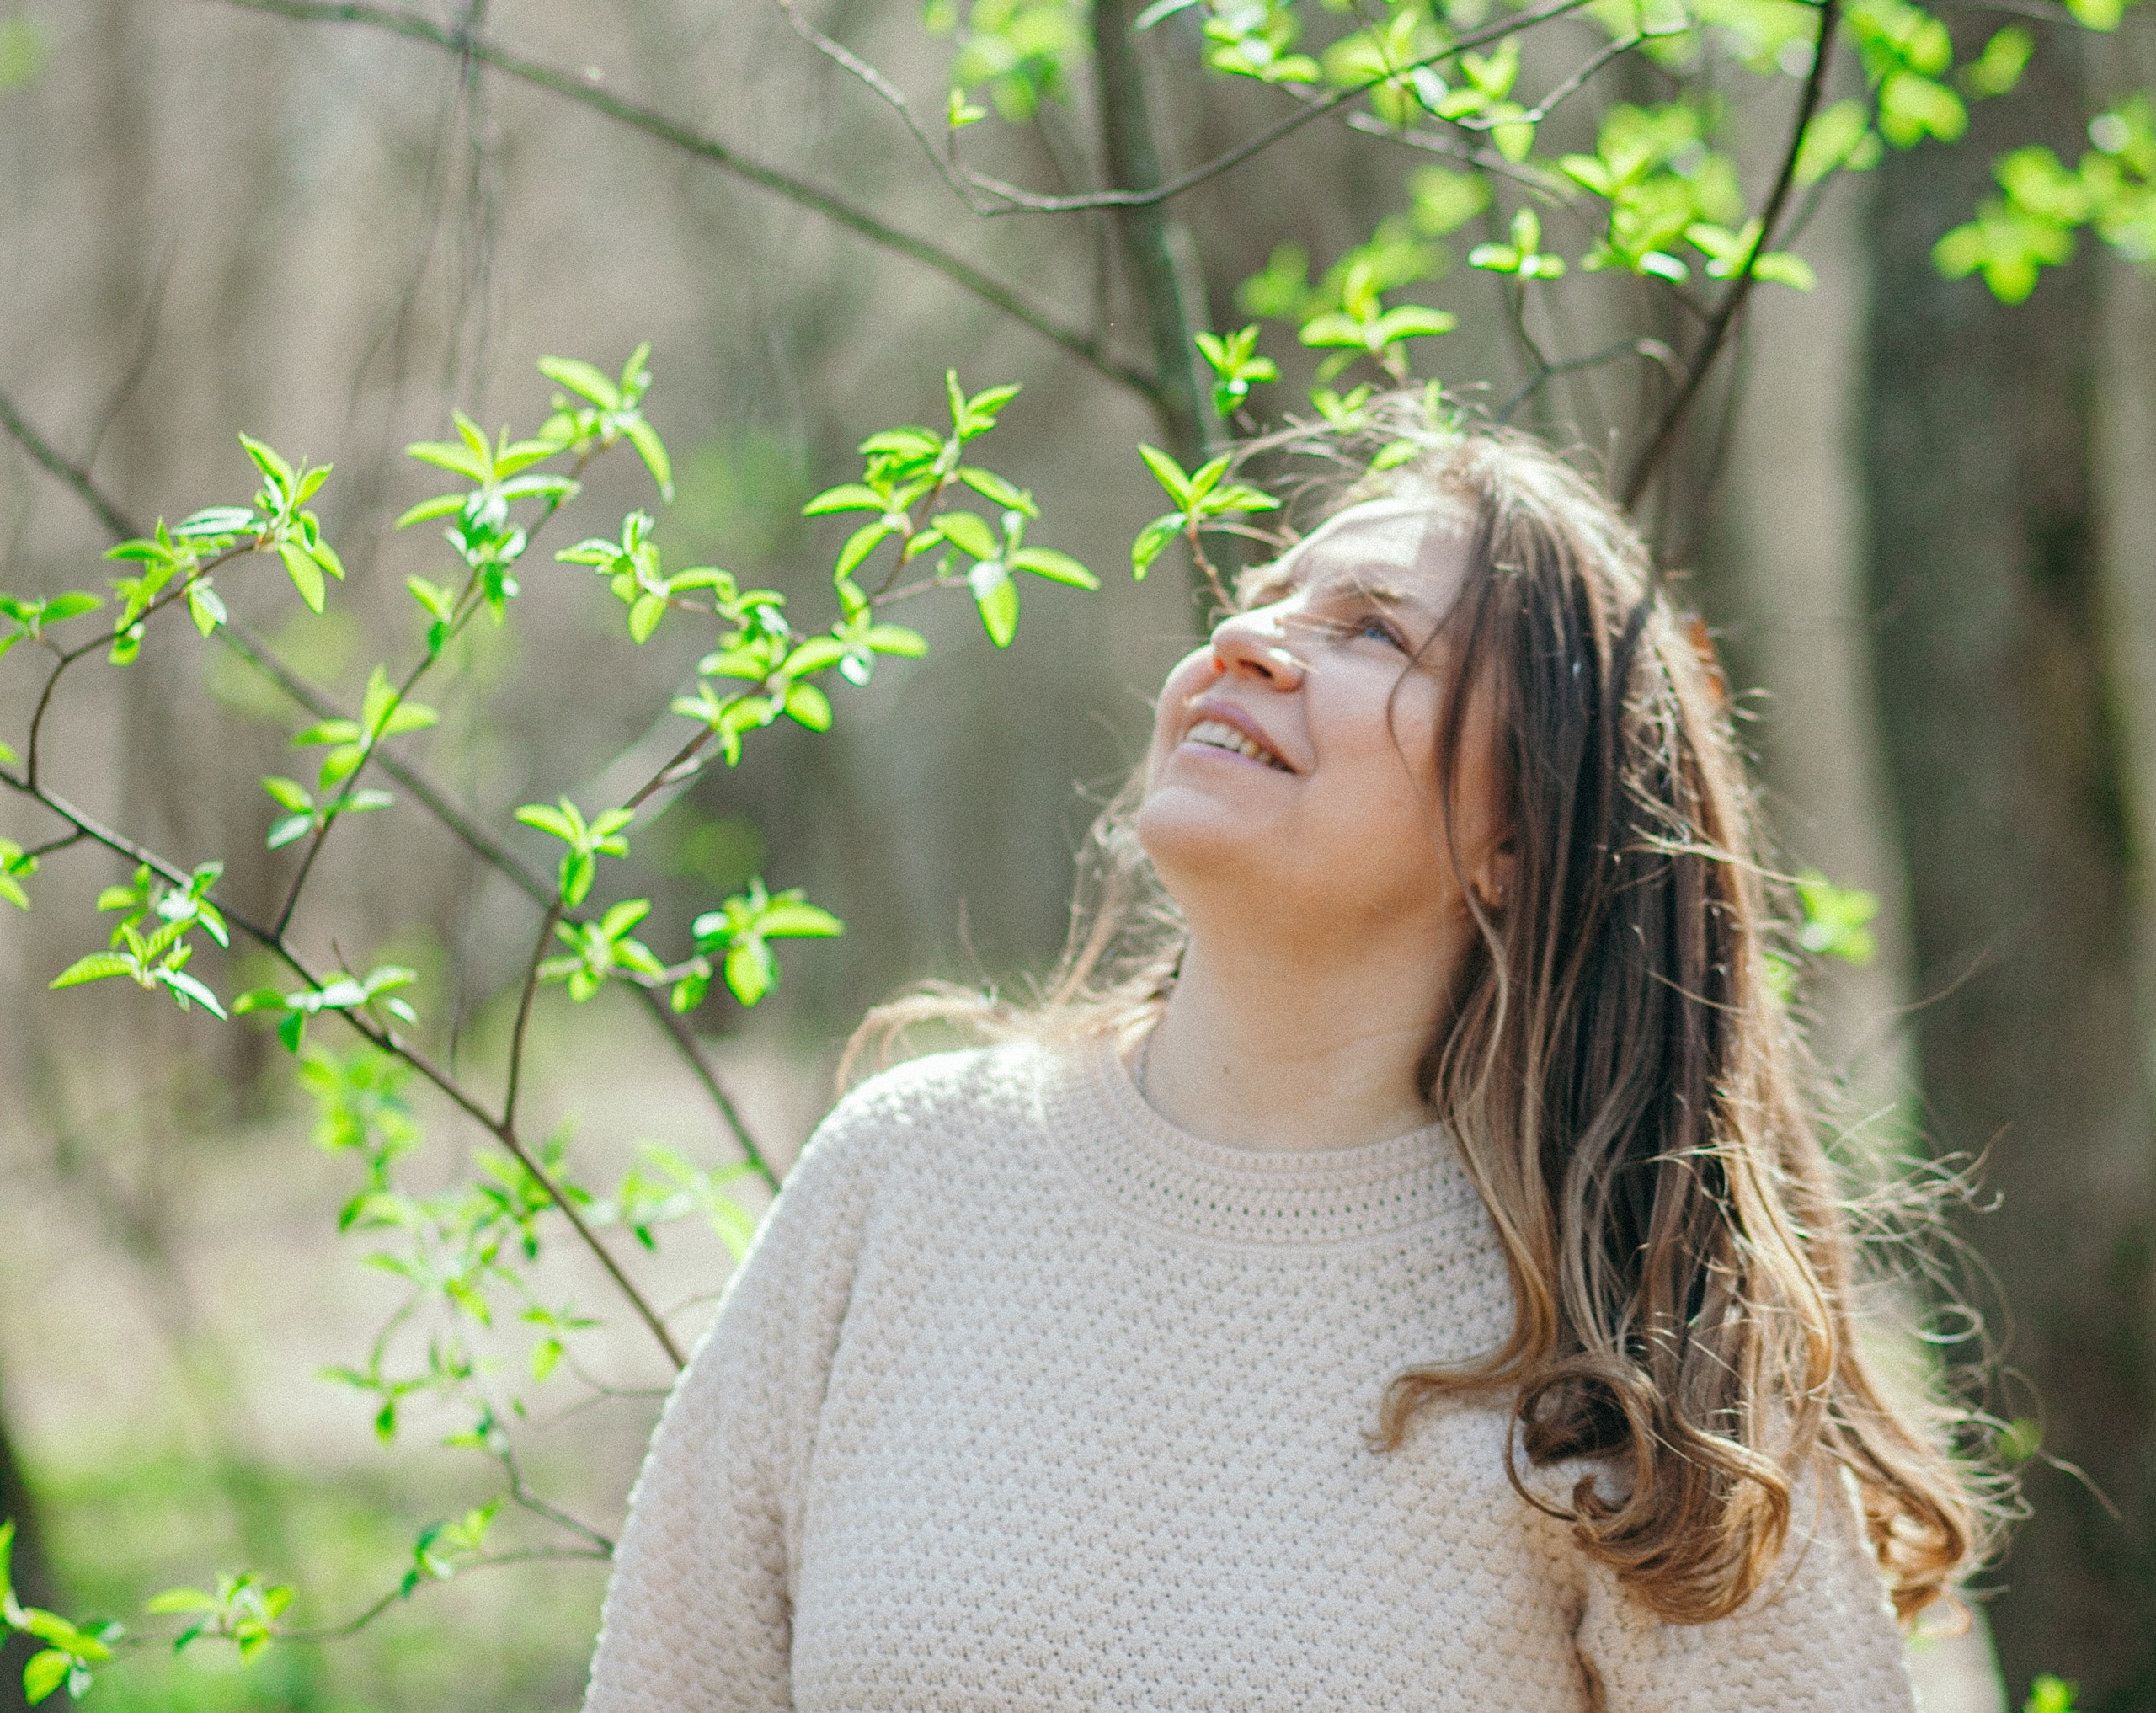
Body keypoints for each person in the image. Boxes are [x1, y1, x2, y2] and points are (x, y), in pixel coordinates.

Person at [581, 404, 1988, 1711]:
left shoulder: (1629, 1349)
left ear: (1520, 836)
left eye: (1373, 632)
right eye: (1264, 599)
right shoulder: (906, 1175)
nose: (1248, 642)